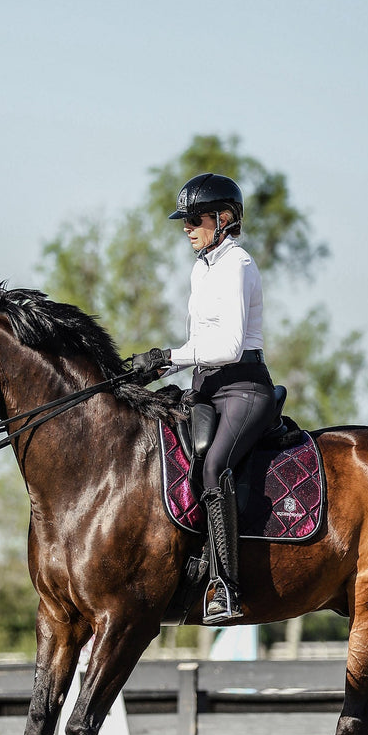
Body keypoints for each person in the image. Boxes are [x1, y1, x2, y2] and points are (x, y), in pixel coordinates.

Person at [133, 173, 277, 623]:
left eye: (195, 219)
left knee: (215, 465)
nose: (186, 227)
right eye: (185, 220)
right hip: (206, 386)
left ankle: (227, 588)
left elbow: (230, 346)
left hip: (244, 387)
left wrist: (169, 355)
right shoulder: (202, 267)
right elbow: (200, 343)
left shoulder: (238, 265)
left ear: (225, 219)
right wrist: (157, 366)